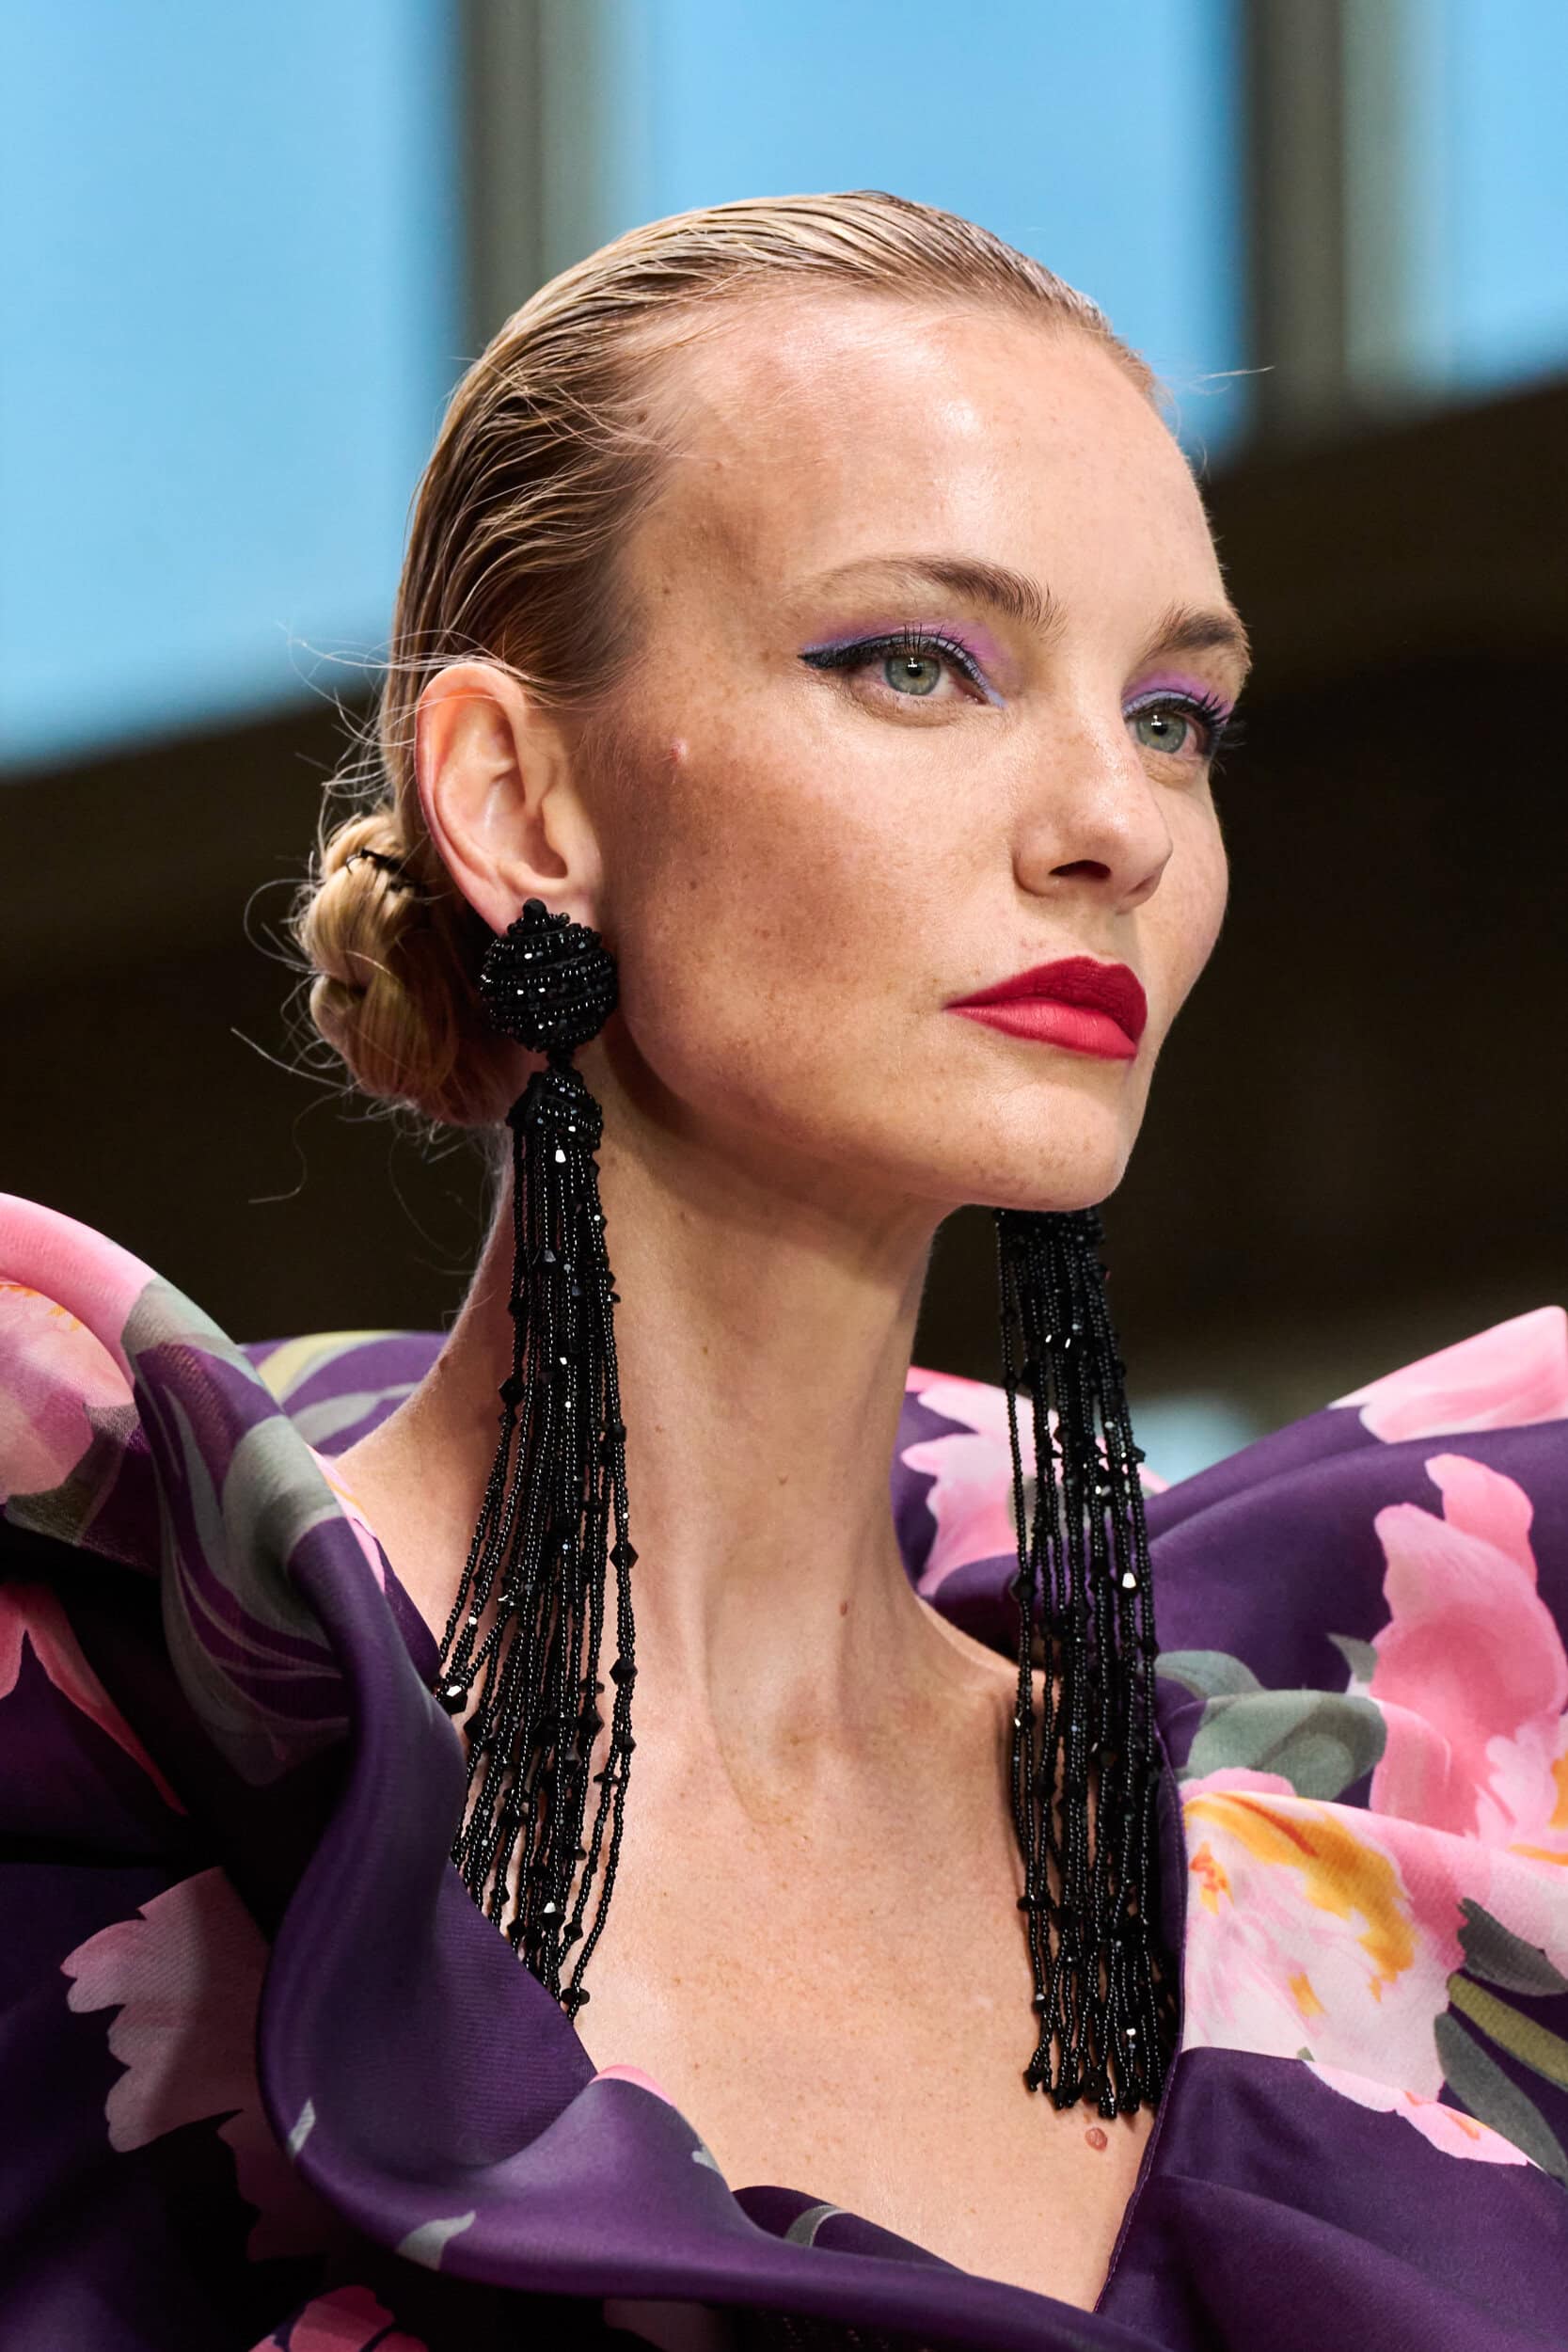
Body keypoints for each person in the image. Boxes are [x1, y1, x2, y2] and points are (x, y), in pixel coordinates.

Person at [2, 191, 1566, 2352]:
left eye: (1176, 713)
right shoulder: (97, 1787)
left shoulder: (1378, 1847)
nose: (1114, 821)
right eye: (918, 663)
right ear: (516, 797)